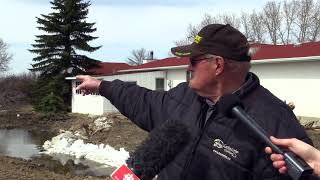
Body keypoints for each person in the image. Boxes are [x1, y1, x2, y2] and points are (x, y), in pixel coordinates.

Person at [76, 24, 313, 180]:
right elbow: (144, 101)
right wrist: (102, 86)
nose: (187, 67)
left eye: (194, 61)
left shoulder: (276, 124)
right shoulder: (183, 96)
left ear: (218, 65)